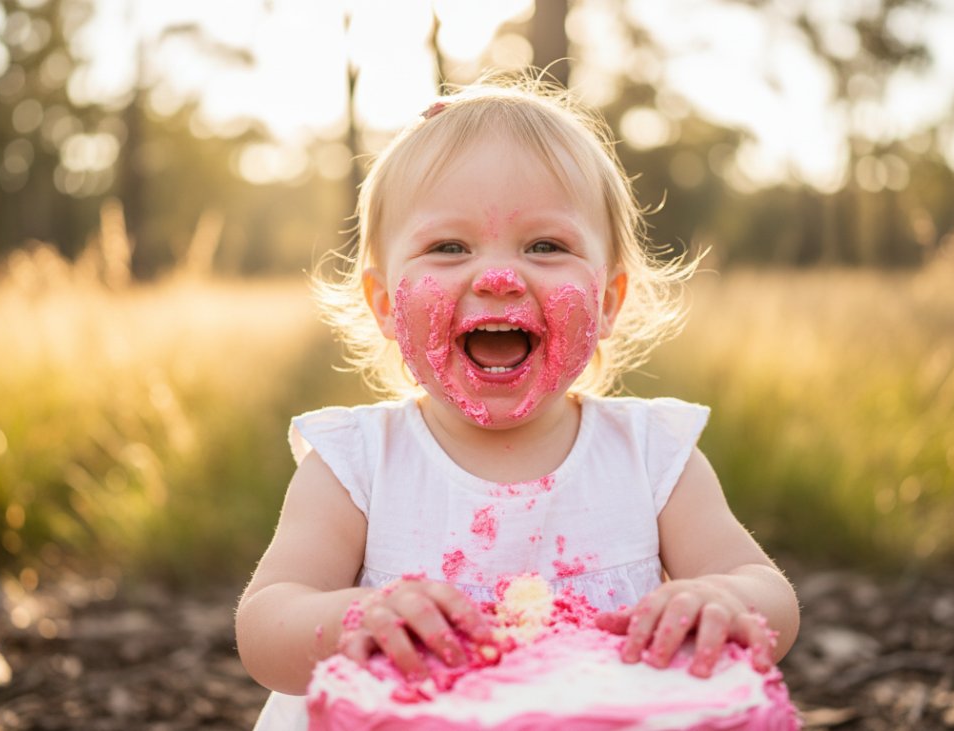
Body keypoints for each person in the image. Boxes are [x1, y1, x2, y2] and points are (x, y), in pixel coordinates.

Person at [236, 75, 799, 730]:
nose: (499, 278)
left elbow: (771, 597)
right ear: (386, 304)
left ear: (609, 300)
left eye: (545, 246)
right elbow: (265, 623)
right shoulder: (358, 464)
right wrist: (350, 619)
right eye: (449, 246)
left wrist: (725, 599)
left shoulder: (649, 456)